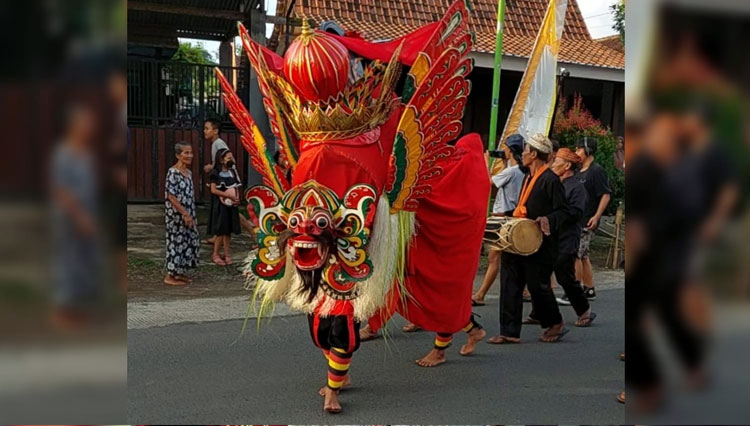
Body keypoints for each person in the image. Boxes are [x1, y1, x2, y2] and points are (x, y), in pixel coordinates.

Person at [489, 133, 570, 344]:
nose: (522, 153)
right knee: (510, 282)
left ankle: (555, 322)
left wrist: (548, 219)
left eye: (525, 150)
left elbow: (564, 211)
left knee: (537, 286)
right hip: (520, 238)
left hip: (541, 243)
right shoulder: (528, 176)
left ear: (534, 154)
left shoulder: (550, 179)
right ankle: (509, 331)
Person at [526, 148, 596, 327]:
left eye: (557, 161)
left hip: (567, 237)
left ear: (566, 166)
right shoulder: (552, 181)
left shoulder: (577, 187)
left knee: (565, 276)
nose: (553, 164)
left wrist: (554, 217)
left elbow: (576, 212)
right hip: (549, 237)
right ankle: (538, 312)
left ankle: (584, 310)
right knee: (540, 276)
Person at [50, 104, 100, 327]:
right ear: (73, 126)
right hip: (69, 216)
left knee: (82, 261)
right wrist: (79, 216)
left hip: (86, 213)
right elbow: (60, 190)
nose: (90, 127)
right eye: (85, 123)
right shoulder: (64, 153)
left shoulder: (86, 153)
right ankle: (61, 311)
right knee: (67, 262)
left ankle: (75, 307)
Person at [471, 134, 525, 306]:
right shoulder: (523, 170)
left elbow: (488, 183)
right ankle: (525, 290)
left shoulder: (510, 171)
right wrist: (504, 164)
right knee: (514, 258)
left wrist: (486, 162)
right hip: (515, 216)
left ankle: (480, 294)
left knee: (494, 258)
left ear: (510, 150)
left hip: (501, 217)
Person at [573, 136, 611, 300]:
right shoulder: (578, 170)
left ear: (588, 151)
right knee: (584, 255)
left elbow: (605, 194)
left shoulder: (596, 170)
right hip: (576, 218)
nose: (576, 152)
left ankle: (575, 290)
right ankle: (589, 288)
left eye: (579, 149)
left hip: (587, 219)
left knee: (576, 255)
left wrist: (596, 216)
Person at [164, 141, 199, 285]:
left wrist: (189, 214)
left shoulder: (188, 173)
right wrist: (184, 213)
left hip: (189, 213)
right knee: (176, 243)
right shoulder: (173, 173)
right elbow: (171, 196)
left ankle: (179, 272)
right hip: (176, 216)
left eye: (190, 152)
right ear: (178, 155)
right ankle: (170, 275)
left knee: (188, 241)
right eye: (186, 153)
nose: (189, 155)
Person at [207, 148, 241, 265]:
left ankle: (227, 254)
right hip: (221, 206)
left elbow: (236, 186)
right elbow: (213, 189)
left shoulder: (232, 172)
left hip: (231, 205)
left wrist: (236, 198)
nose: (231, 160)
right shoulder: (215, 173)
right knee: (221, 231)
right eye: (228, 158)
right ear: (221, 160)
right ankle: (215, 254)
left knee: (228, 232)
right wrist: (225, 195)